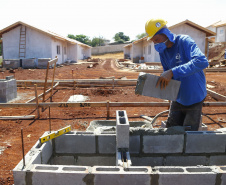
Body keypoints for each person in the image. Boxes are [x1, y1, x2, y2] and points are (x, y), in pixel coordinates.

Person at [145, 19, 209, 131]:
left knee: (188, 135)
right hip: (178, 98)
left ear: (165, 33)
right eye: (153, 41)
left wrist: (173, 72)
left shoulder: (184, 41)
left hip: (194, 97)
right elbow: (168, 76)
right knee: (171, 131)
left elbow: (202, 61)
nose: (155, 44)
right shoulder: (163, 52)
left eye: (156, 39)